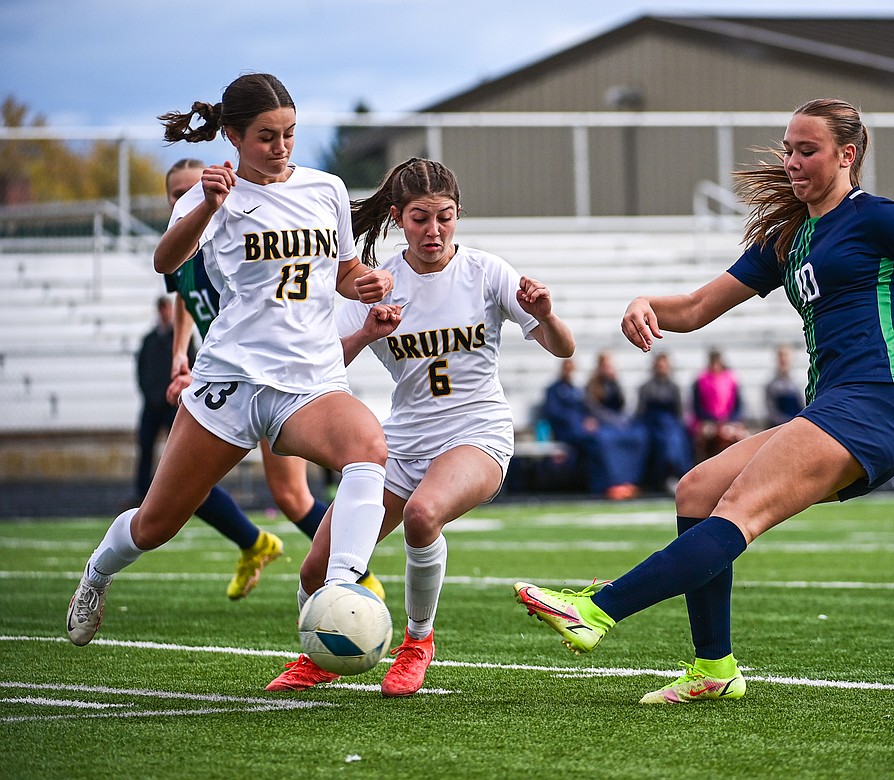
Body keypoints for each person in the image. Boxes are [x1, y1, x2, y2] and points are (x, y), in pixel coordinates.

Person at [513, 98, 894, 704]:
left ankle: (596, 608)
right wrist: (645, 302)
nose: (792, 160)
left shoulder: (880, 217)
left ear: (847, 155)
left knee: (739, 510)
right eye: (788, 149)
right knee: (696, 491)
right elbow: (698, 308)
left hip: (879, 404)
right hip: (832, 406)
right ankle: (714, 668)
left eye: (807, 150)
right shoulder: (790, 238)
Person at [66, 73, 393, 647]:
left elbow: (339, 272)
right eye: (267, 136)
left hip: (308, 380)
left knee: (368, 449)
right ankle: (97, 574)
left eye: (290, 133)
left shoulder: (327, 189)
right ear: (234, 136)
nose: (282, 147)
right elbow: (165, 260)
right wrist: (209, 207)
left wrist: (364, 283)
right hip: (232, 380)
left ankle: (337, 586)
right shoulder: (210, 193)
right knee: (156, 524)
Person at [265, 157, 575, 695]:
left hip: (476, 433)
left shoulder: (486, 271)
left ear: (459, 215)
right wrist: (366, 330)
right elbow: (322, 363)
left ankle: (417, 642)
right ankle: (317, 655)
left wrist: (546, 314)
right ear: (397, 217)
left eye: (445, 217)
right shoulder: (378, 283)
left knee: (423, 513)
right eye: (420, 218)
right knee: (316, 569)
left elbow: (562, 348)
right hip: (405, 442)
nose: (434, 231)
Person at [162, 159, 382, 600]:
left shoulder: (236, 235)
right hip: (225, 381)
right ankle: (256, 543)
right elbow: (185, 301)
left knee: (291, 493)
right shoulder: (193, 248)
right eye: (177, 194)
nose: (193, 195)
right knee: (179, 495)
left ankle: (350, 575)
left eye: (195, 186)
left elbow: (326, 276)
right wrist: (180, 358)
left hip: (278, 378)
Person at [542, 357, 647, 499]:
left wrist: (587, 421)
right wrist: (580, 422)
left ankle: (624, 481)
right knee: (601, 442)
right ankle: (607, 484)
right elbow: (554, 412)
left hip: (585, 427)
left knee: (628, 438)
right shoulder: (555, 390)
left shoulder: (575, 390)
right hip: (568, 430)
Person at [133, 295, 194, 504]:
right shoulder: (149, 339)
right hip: (152, 405)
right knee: (145, 449)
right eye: (161, 308)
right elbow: (141, 370)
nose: (165, 312)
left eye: (167, 308)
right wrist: (150, 394)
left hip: (173, 404)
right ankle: (143, 494)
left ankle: (178, 494)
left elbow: (192, 366)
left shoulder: (183, 338)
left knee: (177, 451)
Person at [635, 352, 693, 493]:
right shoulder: (646, 387)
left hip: (670, 424)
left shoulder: (674, 387)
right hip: (651, 424)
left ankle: (674, 474)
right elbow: (640, 411)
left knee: (675, 441)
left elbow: (679, 412)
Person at [690, 349, 749, 462]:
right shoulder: (701, 380)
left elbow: (738, 406)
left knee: (742, 437)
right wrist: (714, 420)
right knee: (702, 438)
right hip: (708, 421)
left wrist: (730, 420)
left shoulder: (731, 379)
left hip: (728, 420)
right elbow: (697, 408)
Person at [763, 344, 804, 428]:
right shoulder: (772, 384)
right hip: (779, 427)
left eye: (786, 356)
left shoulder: (798, 382)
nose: (784, 360)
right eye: (781, 357)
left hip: (797, 424)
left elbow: (803, 405)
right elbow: (772, 412)